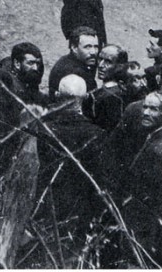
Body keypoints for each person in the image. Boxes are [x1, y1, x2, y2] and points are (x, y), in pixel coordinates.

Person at [36, 74, 106, 249]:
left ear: (57, 95)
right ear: (85, 97)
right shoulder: (95, 133)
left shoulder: (43, 127)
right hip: (79, 205)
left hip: (47, 200)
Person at [119, 91, 162, 262]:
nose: (146, 112)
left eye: (154, 109)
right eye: (145, 107)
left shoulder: (157, 150)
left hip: (150, 226)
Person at [49, 26, 99, 100]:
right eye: (87, 47)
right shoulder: (74, 72)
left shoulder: (67, 60)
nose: (93, 52)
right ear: (74, 48)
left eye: (96, 47)